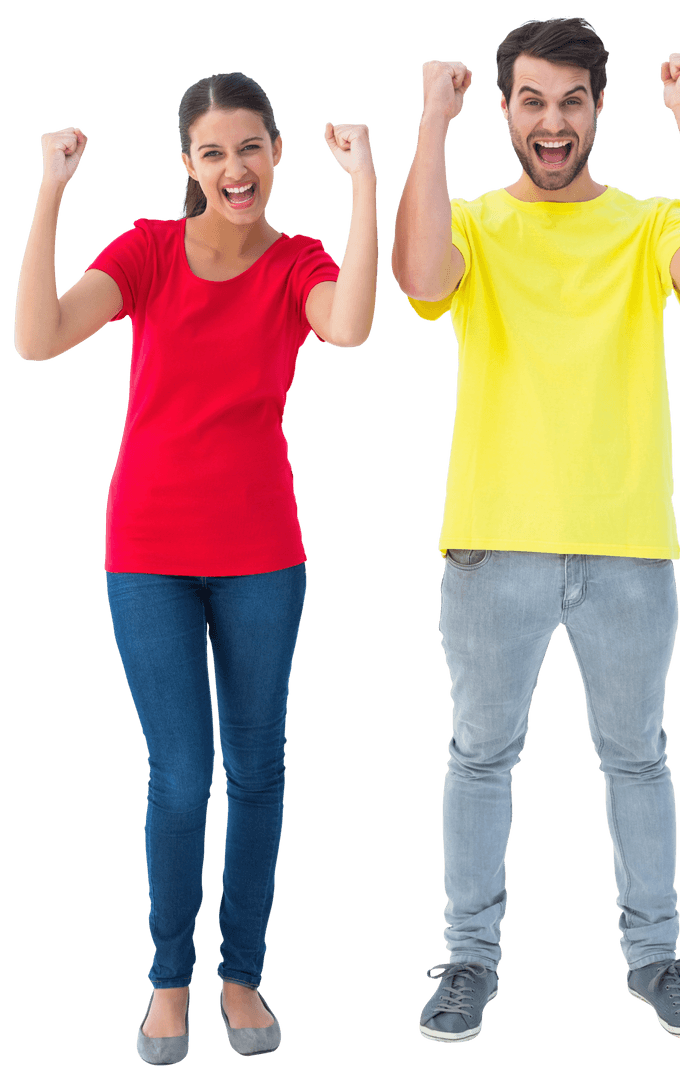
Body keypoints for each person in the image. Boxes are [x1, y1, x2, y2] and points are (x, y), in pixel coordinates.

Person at [391, 16, 680, 1046]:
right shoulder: (469, 222)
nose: (552, 123)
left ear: (598, 109)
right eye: (532, 101)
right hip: (492, 543)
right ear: (504, 110)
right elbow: (417, 279)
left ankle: (653, 959)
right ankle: (467, 962)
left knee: (636, 759)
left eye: (572, 101)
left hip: (628, 548)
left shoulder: (643, 227)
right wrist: (429, 120)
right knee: (480, 756)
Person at [14, 71, 377, 1065]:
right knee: (180, 778)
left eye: (249, 148)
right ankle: (167, 987)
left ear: (276, 153)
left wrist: (363, 182)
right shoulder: (147, 250)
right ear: (189, 164)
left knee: (256, 770)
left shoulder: (297, 261)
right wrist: (50, 187)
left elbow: (349, 325)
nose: (233, 169)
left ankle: (242, 981)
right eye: (212, 153)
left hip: (264, 552)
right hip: (149, 551)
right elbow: (38, 339)